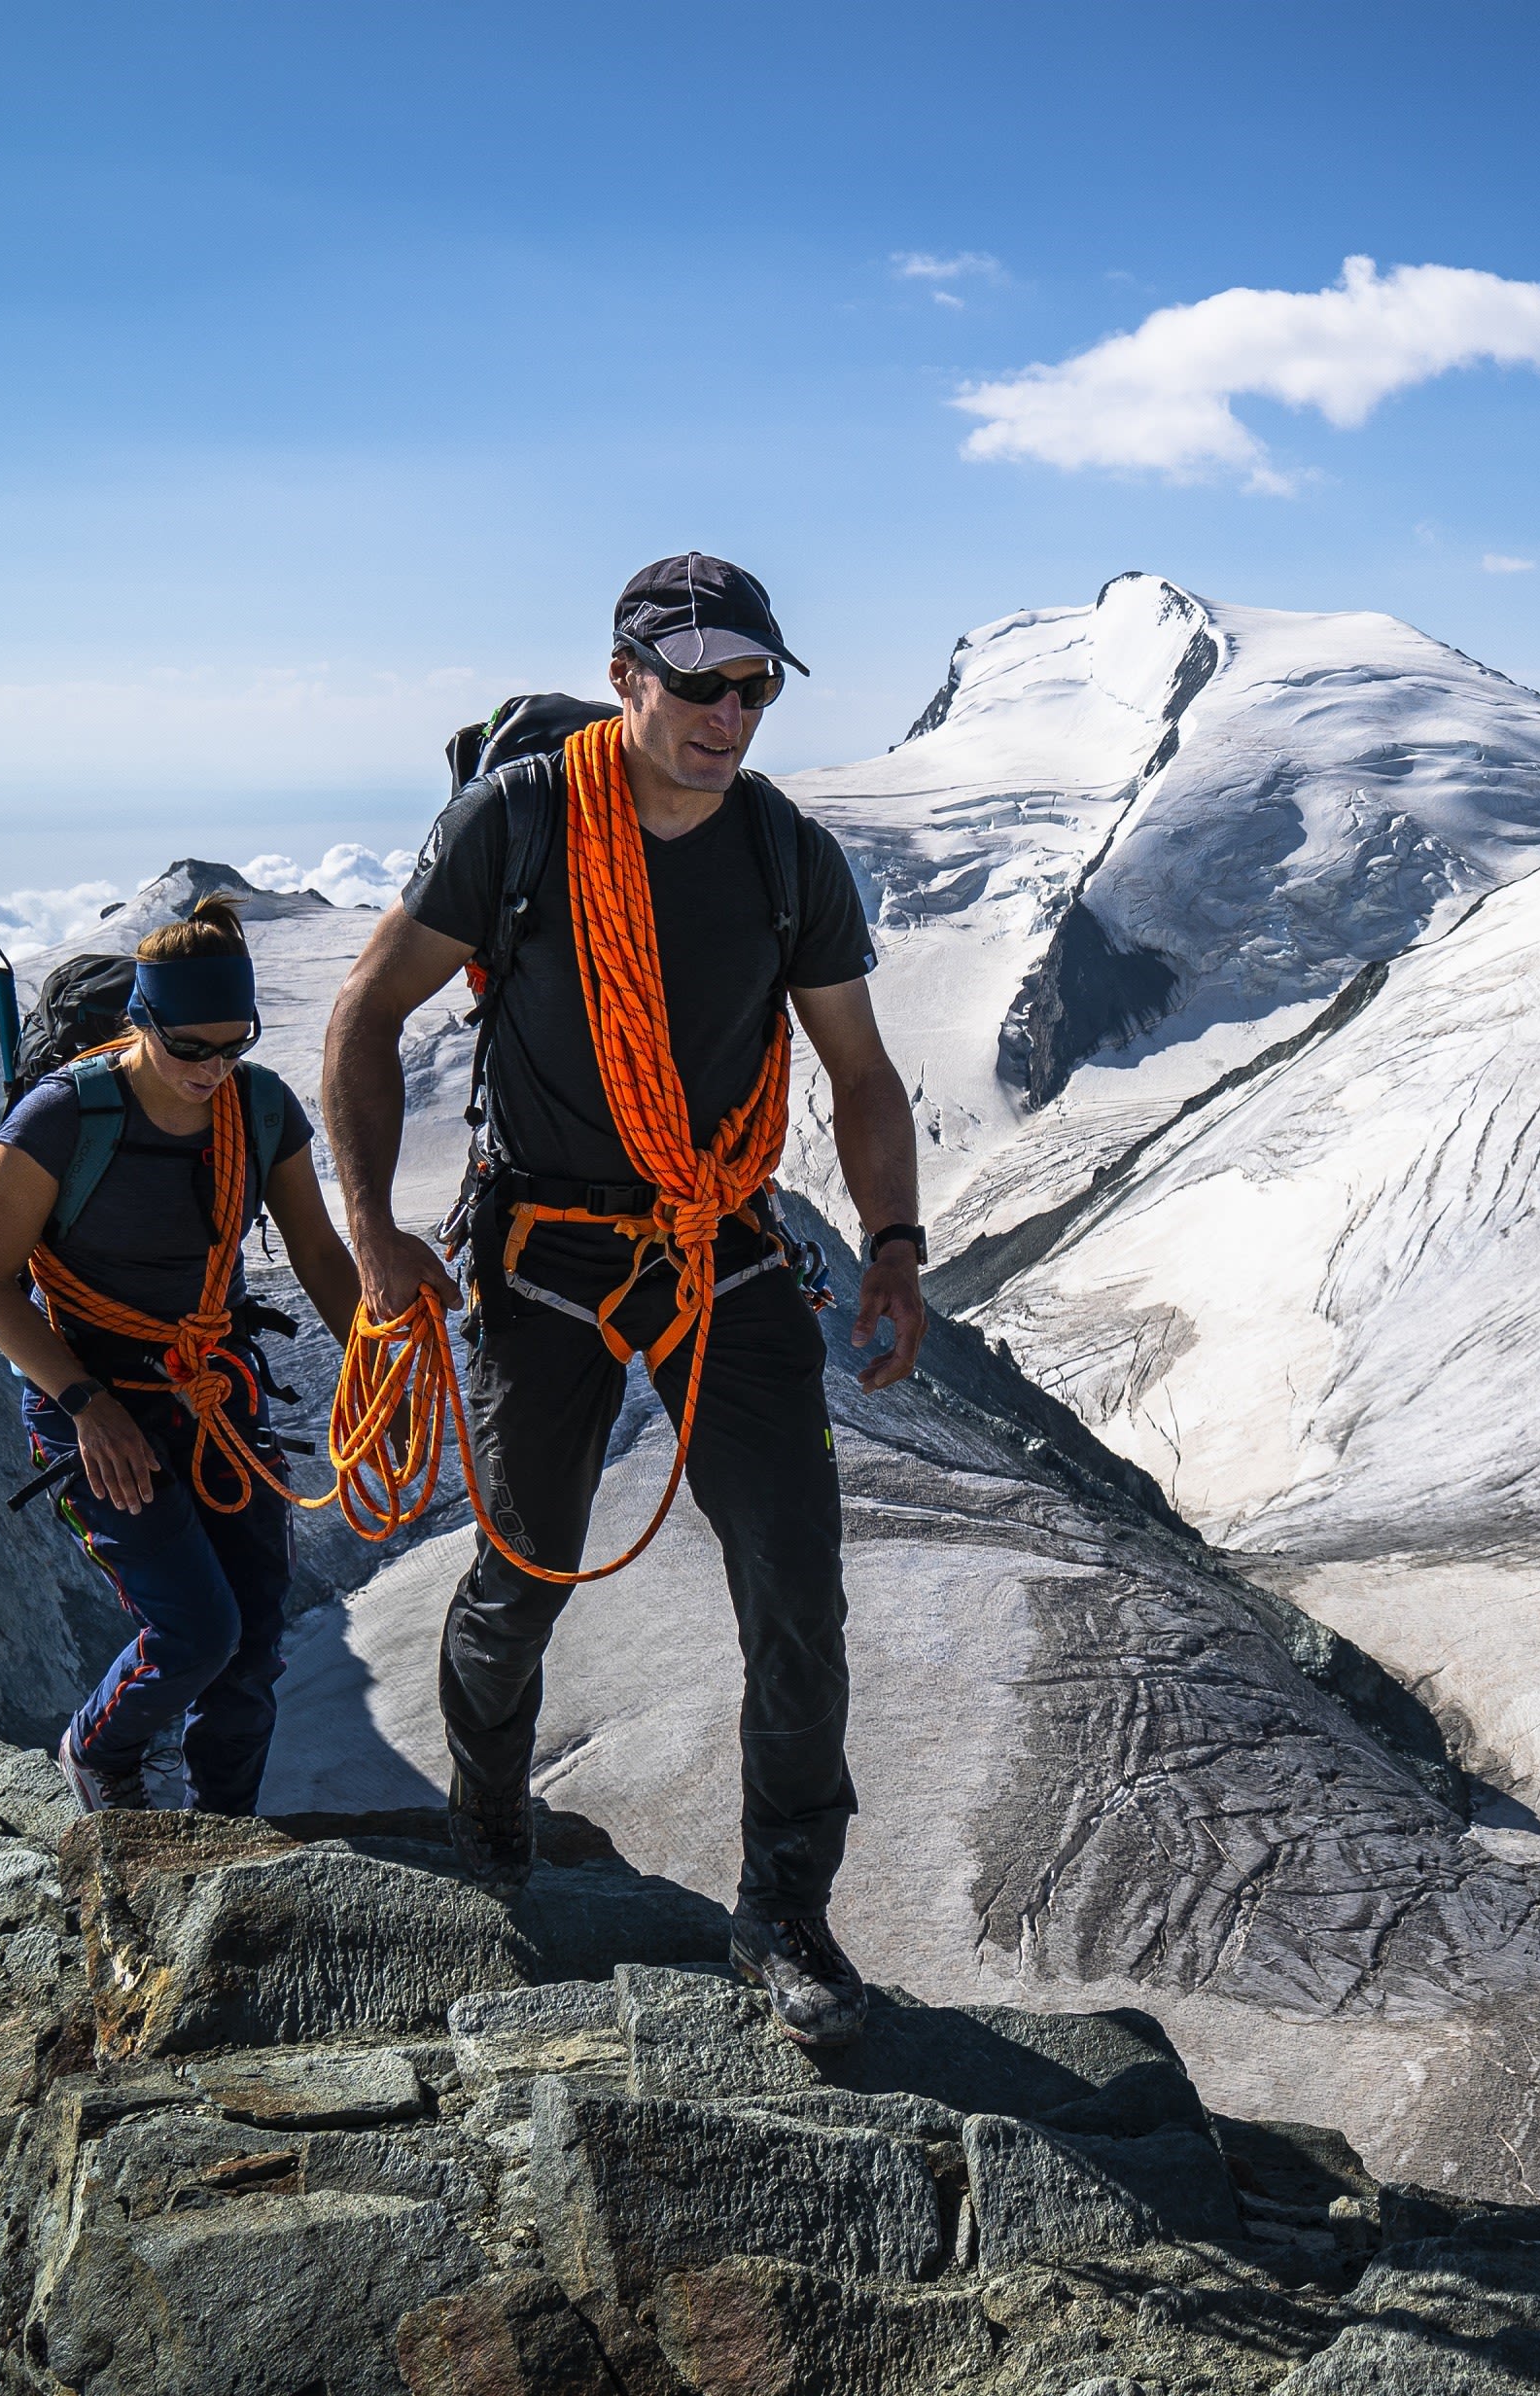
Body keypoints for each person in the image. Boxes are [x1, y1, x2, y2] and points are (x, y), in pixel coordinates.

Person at [322, 552, 927, 2048]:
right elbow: (364, 1016)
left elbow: (855, 1073)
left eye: (755, 688)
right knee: (522, 1569)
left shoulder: (787, 856)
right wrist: (373, 1236)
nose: (729, 716)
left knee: (794, 1586)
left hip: (720, 1243)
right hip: (545, 1255)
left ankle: (785, 1912)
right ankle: (487, 1806)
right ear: (627, 679)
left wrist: (898, 1243)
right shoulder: (518, 823)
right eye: (702, 684)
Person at [0, 898, 362, 1815]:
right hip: (92, 1394)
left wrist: (375, 1366)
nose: (213, 1071)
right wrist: (87, 1407)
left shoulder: (260, 1109)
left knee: (254, 1640)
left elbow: (319, 1257)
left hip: (213, 1394)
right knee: (195, 1631)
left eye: (234, 1047)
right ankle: (98, 1752)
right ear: (141, 1021)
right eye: (191, 1050)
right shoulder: (58, 1120)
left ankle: (225, 1832)